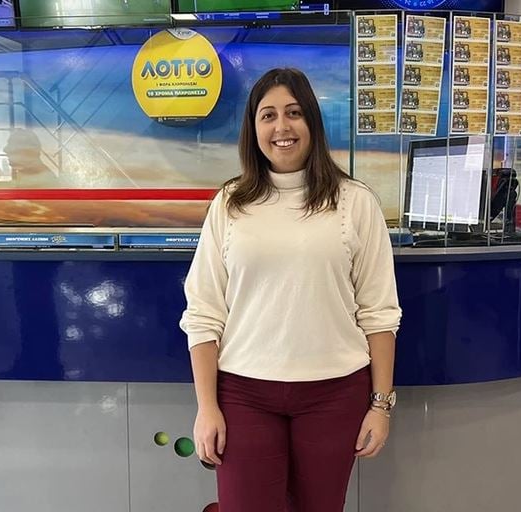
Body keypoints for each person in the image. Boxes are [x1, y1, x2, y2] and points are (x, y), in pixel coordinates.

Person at [179, 68, 401, 512]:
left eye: (294, 113)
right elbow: (203, 313)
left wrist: (380, 406)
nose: (282, 126)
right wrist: (206, 407)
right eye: (268, 115)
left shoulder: (355, 201)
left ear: (312, 122)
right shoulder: (230, 203)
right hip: (243, 394)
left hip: (334, 394)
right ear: (254, 129)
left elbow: (379, 312)